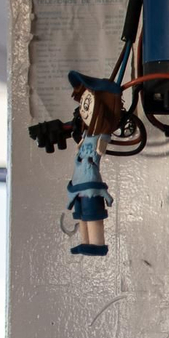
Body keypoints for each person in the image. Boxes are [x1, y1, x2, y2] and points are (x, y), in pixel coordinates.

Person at [65, 72, 122, 256]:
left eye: (88, 102)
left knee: (92, 215)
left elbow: (100, 146)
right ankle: (84, 243)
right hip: (78, 184)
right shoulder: (85, 135)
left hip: (89, 183)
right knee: (82, 215)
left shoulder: (100, 134)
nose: (84, 107)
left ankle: (97, 244)